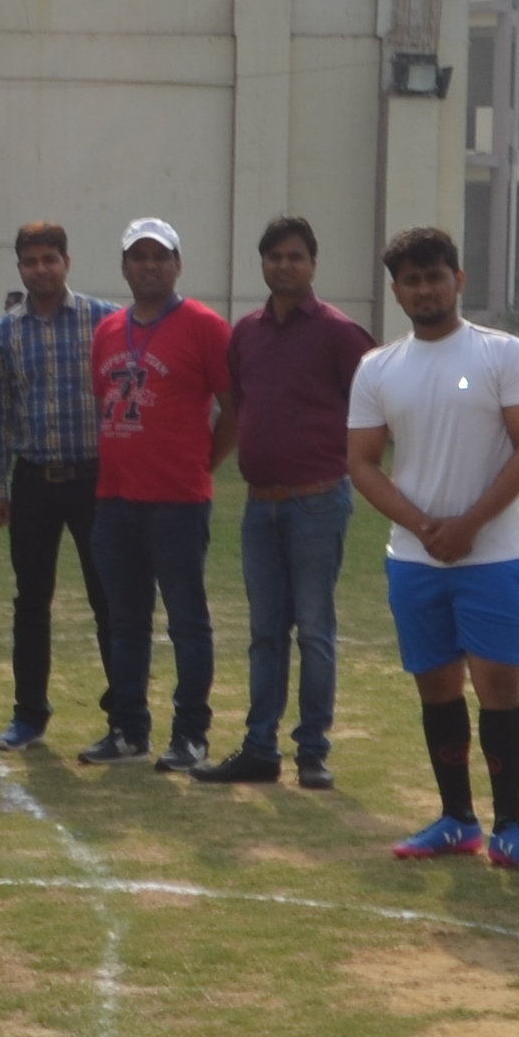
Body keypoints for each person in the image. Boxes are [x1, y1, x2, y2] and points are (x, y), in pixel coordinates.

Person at [353, 227, 519, 866]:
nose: (425, 290)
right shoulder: (377, 367)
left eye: (435, 277)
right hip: (415, 559)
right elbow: (362, 462)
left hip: (491, 555)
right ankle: (457, 818)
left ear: (458, 280)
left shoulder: (504, 354)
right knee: (436, 686)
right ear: (396, 291)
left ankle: (511, 827)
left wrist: (470, 523)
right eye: (411, 281)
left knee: (499, 686)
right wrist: (422, 525)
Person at [201, 214, 374, 789]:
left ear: (313, 264)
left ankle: (313, 751)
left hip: (317, 503)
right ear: (263, 264)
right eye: (274, 256)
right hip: (260, 506)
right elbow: (238, 407)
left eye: (295, 257)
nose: (284, 266)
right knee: (264, 633)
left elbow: (375, 407)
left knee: (315, 630)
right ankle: (260, 748)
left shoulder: (339, 333)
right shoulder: (246, 334)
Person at [83, 218, 234, 774]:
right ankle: (127, 729)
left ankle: (191, 734)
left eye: (160, 256)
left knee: (186, 621)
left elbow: (234, 408)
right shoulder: (107, 330)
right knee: (124, 621)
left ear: (177, 264)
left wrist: (201, 463)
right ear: (124, 267)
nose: (149, 265)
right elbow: (104, 399)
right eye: (139, 256)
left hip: (177, 501)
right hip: (115, 499)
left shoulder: (204, 326)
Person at [0, 222, 115, 754]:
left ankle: (124, 714)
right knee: (31, 602)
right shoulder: (6, 332)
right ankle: (29, 714)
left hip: (96, 480)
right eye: (31, 261)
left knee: (109, 599)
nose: (41, 269)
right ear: (19, 267)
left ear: (67, 262)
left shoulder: (105, 320)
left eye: (50, 259)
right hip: (34, 480)